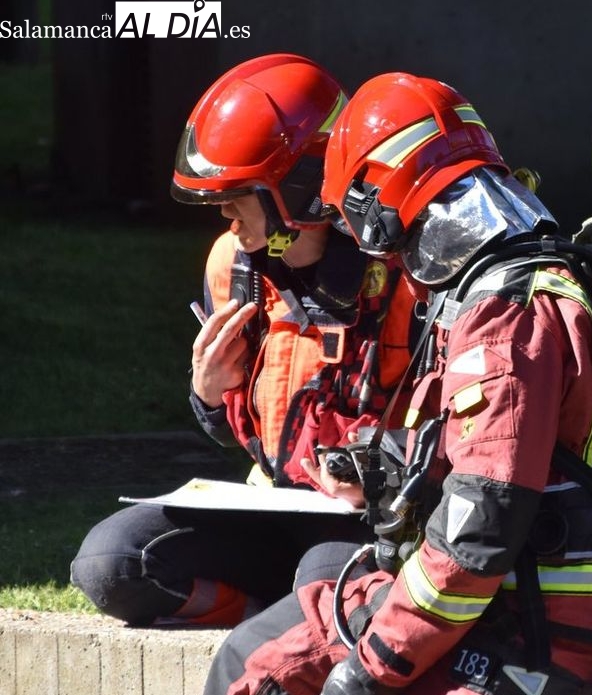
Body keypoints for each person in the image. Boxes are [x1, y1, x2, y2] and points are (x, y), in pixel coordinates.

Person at [203, 71, 592, 695]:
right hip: (498, 598)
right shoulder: (492, 291)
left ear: (383, 200)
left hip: (537, 621)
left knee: (280, 677)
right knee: (254, 663)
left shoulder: (505, 316)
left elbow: (478, 532)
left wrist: (373, 664)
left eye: (357, 211)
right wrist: (380, 465)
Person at [71, 54, 419, 627]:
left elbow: (464, 441)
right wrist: (208, 393)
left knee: (327, 594)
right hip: (269, 506)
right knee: (112, 564)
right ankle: (268, 618)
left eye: (239, 195)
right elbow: (234, 430)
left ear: (302, 187)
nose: (225, 214)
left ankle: (295, 622)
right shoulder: (232, 266)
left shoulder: (405, 279)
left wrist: (378, 469)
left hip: (370, 523)